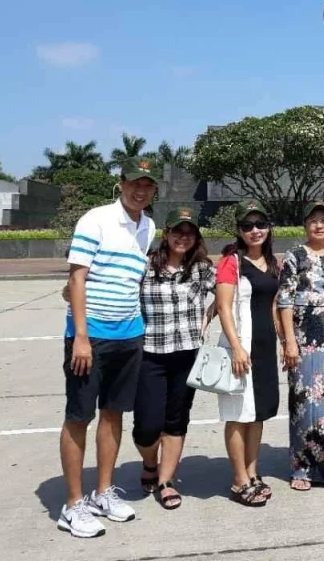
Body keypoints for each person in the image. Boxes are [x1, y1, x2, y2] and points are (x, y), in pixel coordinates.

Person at [57, 157, 158, 538]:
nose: (140, 190)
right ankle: (73, 505)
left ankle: (103, 492)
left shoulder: (148, 226)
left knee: (114, 414)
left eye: (147, 185)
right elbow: (77, 278)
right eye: (134, 183)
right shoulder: (95, 219)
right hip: (91, 336)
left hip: (129, 333)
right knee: (79, 416)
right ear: (120, 183)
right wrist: (80, 336)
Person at [133, 208, 215, 510]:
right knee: (146, 425)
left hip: (187, 355)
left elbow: (228, 292)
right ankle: (149, 462)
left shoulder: (202, 269)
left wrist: (209, 316)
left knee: (176, 419)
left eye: (189, 232)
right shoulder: (145, 267)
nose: (183, 237)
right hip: (150, 354)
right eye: (177, 231)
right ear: (166, 234)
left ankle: (166, 481)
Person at [277, 201, 324, 492]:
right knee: (303, 404)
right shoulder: (294, 256)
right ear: (305, 226)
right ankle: (302, 467)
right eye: (313, 220)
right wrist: (289, 342)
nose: (319, 225)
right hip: (304, 338)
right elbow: (284, 301)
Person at [215, 199, 281, 507]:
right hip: (240, 349)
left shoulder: (272, 262)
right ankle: (239, 480)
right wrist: (237, 347)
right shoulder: (232, 260)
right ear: (239, 231)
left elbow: (275, 306)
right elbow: (223, 307)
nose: (255, 231)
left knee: (257, 415)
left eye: (260, 225)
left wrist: (285, 341)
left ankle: (253, 472)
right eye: (247, 226)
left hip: (266, 348)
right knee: (238, 415)